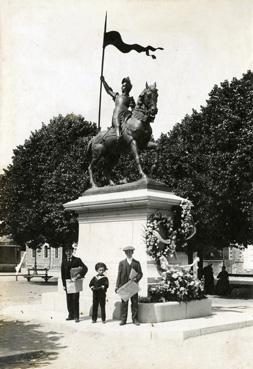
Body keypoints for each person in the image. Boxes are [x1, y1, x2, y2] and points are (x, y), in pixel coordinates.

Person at [115, 246, 143, 326]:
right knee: (124, 303)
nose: (128, 253)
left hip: (133, 285)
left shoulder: (136, 263)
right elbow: (119, 275)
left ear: (132, 252)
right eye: (126, 252)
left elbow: (140, 274)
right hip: (124, 285)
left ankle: (135, 319)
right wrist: (117, 286)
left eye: (130, 252)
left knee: (134, 303)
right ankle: (123, 320)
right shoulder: (121, 263)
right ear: (125, 253)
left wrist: (136, 279)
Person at [61, 245, 88, 322]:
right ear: (65, 252)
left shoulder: (77, 260)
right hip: (68, 283)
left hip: (76, 282)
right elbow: (62, 274)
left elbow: (85, 268)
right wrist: (64, 285)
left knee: (75, 299)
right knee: (69, 299)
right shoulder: (64, 261)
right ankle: (70, 315)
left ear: (72, 251)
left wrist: (80, 274)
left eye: (70, 251)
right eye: (67, 251)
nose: (68, 253)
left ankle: (76, 316)